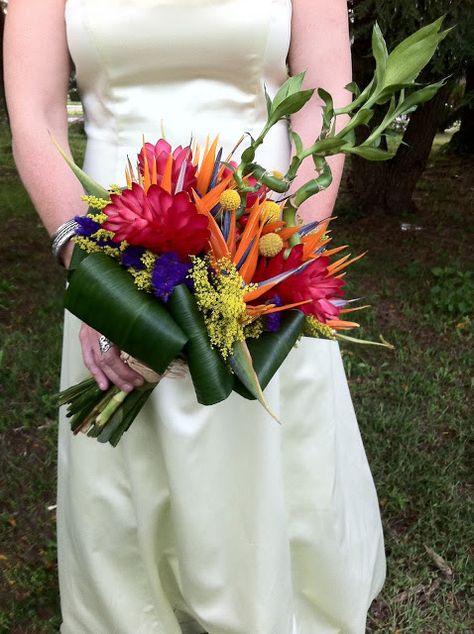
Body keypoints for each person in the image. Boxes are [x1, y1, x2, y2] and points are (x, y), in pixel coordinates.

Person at [4, 0, 386, 632]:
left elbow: (324, 103)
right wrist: (94, 276)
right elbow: (35, 114)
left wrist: (278, 263)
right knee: (126, 488)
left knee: (260, 468)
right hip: (111, 238)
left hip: (260, 238)